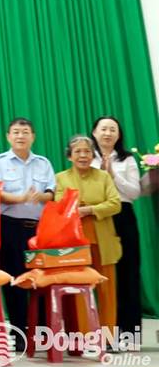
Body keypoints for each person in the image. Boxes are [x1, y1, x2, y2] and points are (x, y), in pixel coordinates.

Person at [0, 118, 55, 349]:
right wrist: (21, 198)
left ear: (33, 136)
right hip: (10, 227)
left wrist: (41, 196)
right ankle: (19, 335)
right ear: (8, 136)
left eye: (25, 132)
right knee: (14, 282)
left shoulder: (43, 163)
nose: (20, 136)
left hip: (38, 229)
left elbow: (51, 192)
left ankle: (42, 334)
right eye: (15, 132)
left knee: (40, 281)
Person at [55, 135, 121, 330]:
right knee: (79, 288)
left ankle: (108, 335)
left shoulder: (104, 177)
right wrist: (83, 206)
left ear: (93, 155)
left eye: (87, 151)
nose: (83, 155)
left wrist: (89, 209)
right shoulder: (61, 178)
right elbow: (60, 205)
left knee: (107, 289)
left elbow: (115, 204)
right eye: (78, 151)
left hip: (104, 241)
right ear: (69, 156)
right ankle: (83, 335)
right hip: (75, 242)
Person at [90, 116, 142, 336]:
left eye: (113, 129)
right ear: (94, 132)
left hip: (123, 215)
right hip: (98, 217)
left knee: (128, 272)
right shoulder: (86, 157)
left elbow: (135, 192)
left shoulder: (127, 159)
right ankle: (103, 331)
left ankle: (130, 333)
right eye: (103, 129)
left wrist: (113, 175)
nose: (108, 133)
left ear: (119, 135)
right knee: (101, 274)